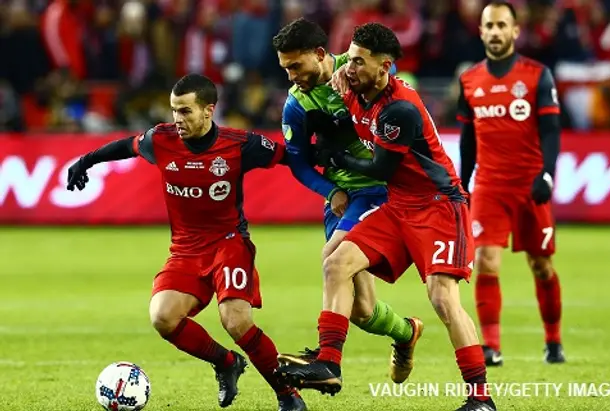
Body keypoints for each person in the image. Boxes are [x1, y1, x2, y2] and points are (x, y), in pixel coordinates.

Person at [276, 23, 497, 411]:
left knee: (443, 298)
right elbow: (333, 91)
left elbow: (380, 168)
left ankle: (480, 398)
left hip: (438, 205)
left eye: (359, 62)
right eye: (350, 58)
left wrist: (334, 156)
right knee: (336, 264)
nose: (350, 66)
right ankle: (329, 362)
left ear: (385, 67)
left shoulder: (399, 109)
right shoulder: (352, 85)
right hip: (398, 205)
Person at [66, 74, 307, 411]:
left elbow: (290, 157)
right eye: (174, 110)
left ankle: (287, 395)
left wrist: (334, 176)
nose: (178, 119)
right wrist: (85, 161)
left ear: (209, 110)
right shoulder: (161, 140)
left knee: (236, 321)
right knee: (162, 317)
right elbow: (126, 146)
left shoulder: (240, 144)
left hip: (229, 243)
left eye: (185, 111)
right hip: (185, 250)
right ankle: (226, 363)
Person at [271, 17, 423, 384]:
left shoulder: (353, 68)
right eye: (285, 68)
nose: (291, 76)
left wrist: (351, 84)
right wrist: (331, 192)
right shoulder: (297, 105)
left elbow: (390, 72)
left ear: (321, 54)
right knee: (362, 310)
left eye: (296, 65)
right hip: (342, 199)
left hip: (378, 190)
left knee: (332, 259)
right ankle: (406, 332)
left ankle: (327, 360)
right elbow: (298, 164)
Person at [457, 1, 564, 367]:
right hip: (489, 185)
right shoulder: (469, 80)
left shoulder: (537, 75)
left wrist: (548, 173)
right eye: (490, 25)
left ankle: (553, 340)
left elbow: (551, 130)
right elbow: (468, 138)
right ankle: (490, 346)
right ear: (482, 30)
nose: (496, 31)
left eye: (503, 24)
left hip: (530, 184)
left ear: (515, 31)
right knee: (486, 261)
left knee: (541, 265)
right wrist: (464, 181)